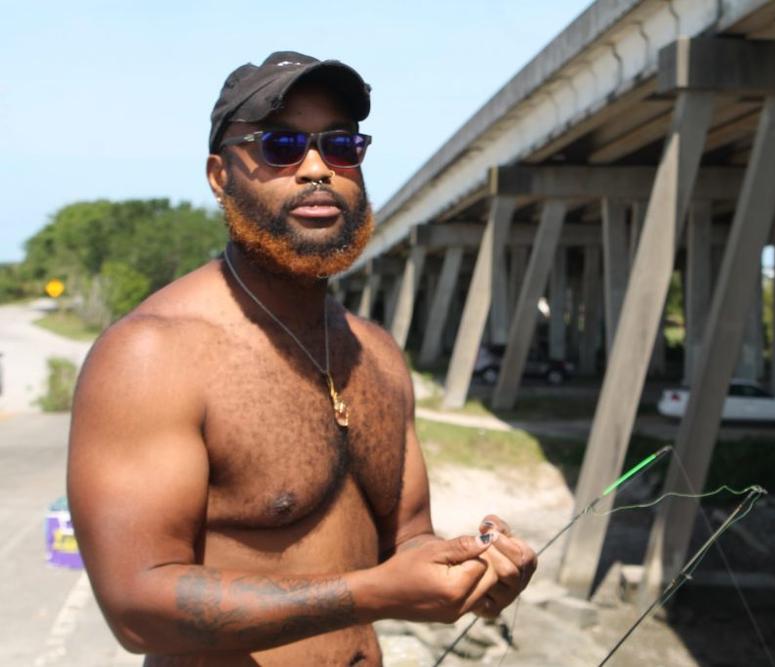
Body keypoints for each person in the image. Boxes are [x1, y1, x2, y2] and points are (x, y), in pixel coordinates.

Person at [68, 51, 537, 666]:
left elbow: (408, 544)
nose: (317, 168)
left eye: (341, 145)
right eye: (281, 145)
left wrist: (472, 572)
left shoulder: (377, 353)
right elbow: (136, 608)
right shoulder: (153, 355)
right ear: (219, 176)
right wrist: (374, 592)